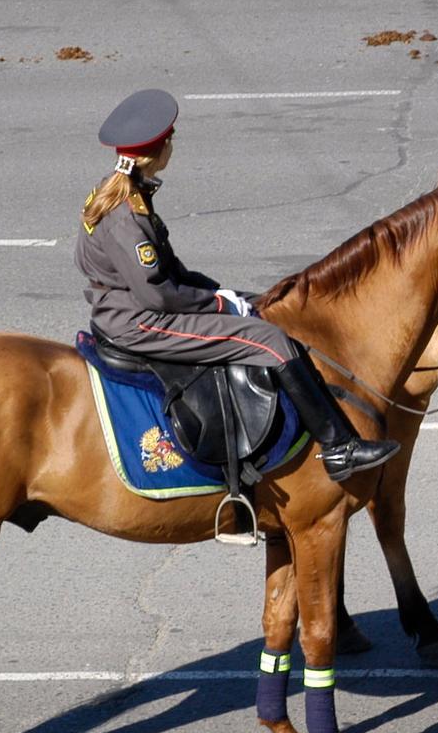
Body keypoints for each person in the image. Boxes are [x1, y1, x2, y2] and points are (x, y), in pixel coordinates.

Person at [75, 88, 399, 482]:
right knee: (271, 342)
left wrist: (224, 294)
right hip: (136, 320)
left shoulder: (117, 190)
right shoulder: (128, 215)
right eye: (170, 141)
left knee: (258, 308)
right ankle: (339, 447)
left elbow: (169, 271)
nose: (173, 147)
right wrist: (219, 307)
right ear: (157, 151)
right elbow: (157, 293)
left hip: (124, 306)